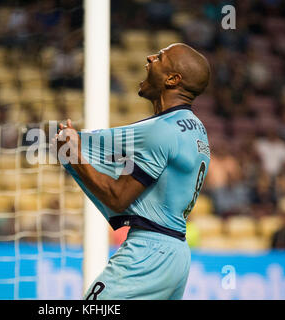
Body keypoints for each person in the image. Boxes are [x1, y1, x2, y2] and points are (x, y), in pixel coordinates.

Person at [51, 43, 211, 299]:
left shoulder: (162, 130)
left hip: (149, 252)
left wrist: (73, 152)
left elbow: (118, 197)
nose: (150, 57)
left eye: (160, 57)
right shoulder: (196, 129)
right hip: (177, 253)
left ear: (172, 79)